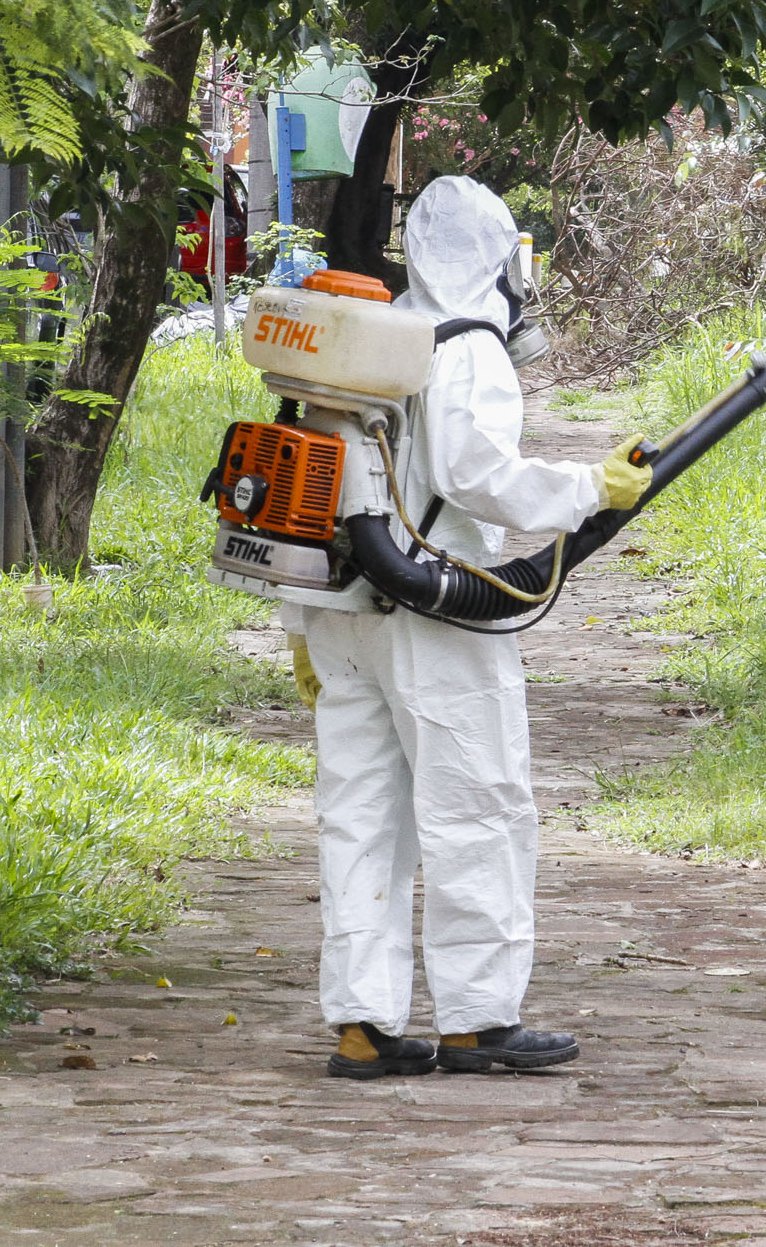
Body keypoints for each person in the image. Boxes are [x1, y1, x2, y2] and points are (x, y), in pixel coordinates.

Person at [288, 177, 651, 1080]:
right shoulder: (468, 345)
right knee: (478, 805)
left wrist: (298, 624)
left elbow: (316, 484)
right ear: (497, 263)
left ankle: (362, 1025)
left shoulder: (371, 337)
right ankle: (477, 1018)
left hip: (339, 612)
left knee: (359, 816)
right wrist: (589, 487)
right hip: (435, 613)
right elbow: (476, 472)